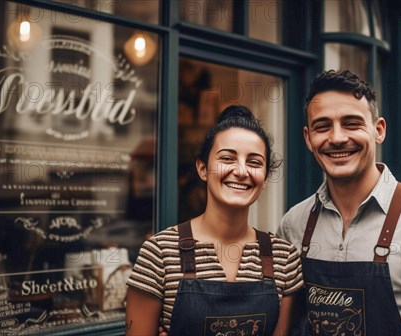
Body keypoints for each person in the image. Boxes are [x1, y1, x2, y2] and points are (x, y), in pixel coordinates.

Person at [277, 70, 401, 335]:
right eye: (322, 126)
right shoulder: (294, 224)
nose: (337, 138)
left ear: (378, 130)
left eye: (352, 123)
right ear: (308, 138)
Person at [126, 105, 303, 336]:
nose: (241, 171)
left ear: (265, 178)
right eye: (227, 158)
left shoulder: (284, 259)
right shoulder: (159, 252)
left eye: (254, 162)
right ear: (202, 168)